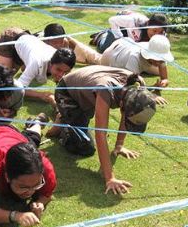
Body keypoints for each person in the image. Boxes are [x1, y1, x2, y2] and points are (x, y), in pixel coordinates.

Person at [48, 66, 166, 194]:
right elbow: (101, 134)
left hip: (88, 92)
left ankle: (70, 117)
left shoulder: (137, 85)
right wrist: (110, 178)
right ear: (121, 105)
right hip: (67, 92)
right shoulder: (105, 91)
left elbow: (126, 114)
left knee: (83, 119)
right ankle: (62, 119)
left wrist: (119, 145)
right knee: (84, 146)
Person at [0, 122, 56, 227]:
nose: (30, 192)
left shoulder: (46, 168)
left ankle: (37, 122)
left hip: (21, 140)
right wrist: (15, 216)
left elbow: (47, 195)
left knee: (34, 138)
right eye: (23, 186)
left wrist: (40, 202)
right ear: (7, 177)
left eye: (37, 185)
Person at [14, 34, 75, 106]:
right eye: (58, 69)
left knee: (29, 69)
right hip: (16, 41)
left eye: (65, 72)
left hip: (32, 42)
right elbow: (18, 89)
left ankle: (25, 67)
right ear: (51, 63)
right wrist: (42, 95)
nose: (61, 75)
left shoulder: (61, 60)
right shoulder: (36, 63)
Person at [99, 35, 173, 87]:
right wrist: (151, 90)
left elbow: (164, 78)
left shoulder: (160, 54)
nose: (159, 62)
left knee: (155, 71)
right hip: (110, 56)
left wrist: (164, 82)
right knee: (98, 61)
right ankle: (102, 36)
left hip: (127, 44)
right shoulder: (134, 58)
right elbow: (131, 86)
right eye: (157, 59)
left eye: (161, 59)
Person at [93, 12, 168, 53]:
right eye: (154, 31)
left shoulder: (162, 35)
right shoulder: (133, 21)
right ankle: (103, 34)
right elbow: (112, 20)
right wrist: (119, 38)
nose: (156, 34)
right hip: (120, 23)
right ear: (148, 24)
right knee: (103, 49)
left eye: (160, 32)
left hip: (131, 32)